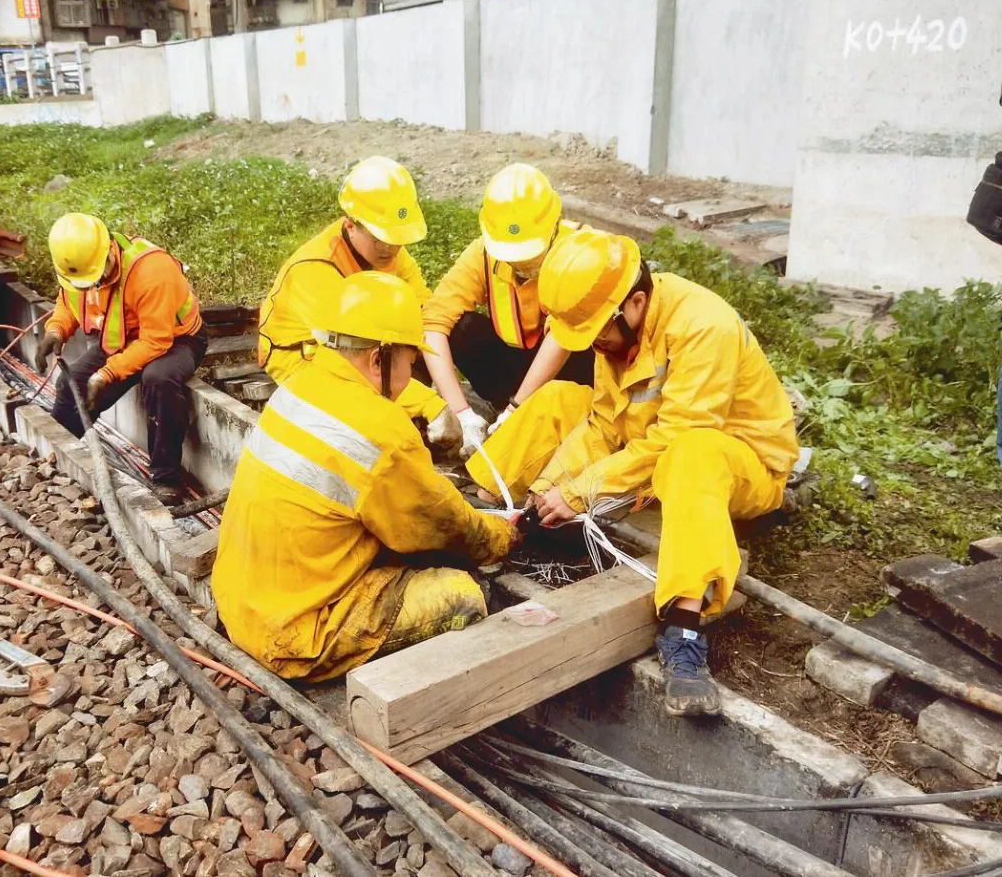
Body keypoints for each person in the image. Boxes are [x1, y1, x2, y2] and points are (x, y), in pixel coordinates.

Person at [468, 228, 799, 717]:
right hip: (657, 450)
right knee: (562, 398)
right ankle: (489, 505)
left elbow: (673, 439)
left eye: (598, 331)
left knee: (690, 453)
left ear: (637, 302)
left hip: (738, 466)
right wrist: (549, 490)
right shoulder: (615, 334)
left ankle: (683, 628)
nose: (594, 346)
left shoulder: (703, 327)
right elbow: (604, 422)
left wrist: (582, 492)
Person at [214, 272, 517, 681]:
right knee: (461, 597)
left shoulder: (299, 385)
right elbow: (441, 524)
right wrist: (500, 535)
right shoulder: (381, 434)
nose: (412, 375)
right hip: (300, 635)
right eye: (412, 363)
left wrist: (430, 406)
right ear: (379, 358)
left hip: (242, 604)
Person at [258, 156, 461, 450]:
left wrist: (457, 407)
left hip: (370, 350)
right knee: (359, 410)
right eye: (381, 238)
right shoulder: (315, 269)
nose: (390, 248)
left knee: (413, 352)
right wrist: (431, 404)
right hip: (306, 357)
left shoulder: (390, 252)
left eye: (397, 238)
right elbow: (346, 361)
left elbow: (423, 314)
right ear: (352, 225)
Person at [422, 164, 594, 457]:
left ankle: (537, 415)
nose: (521, 264)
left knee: (577, 342)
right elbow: (434, 325)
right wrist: (460, 410)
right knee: (462, 329)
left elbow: (564, 335)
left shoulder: (581, 249)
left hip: (573, 368)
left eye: (529, 253)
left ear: (553, 226)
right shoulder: (483, 253)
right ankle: (499, 415)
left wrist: (518, 408)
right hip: (520, 364)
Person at [37, 212, 207, 506]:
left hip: (176, 339)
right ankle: (63, 454)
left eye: (93, 280)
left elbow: (156, 340)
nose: (89, 287)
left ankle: (166, 477)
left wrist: (107, 374)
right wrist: (56, 329)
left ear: (109, 254)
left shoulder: (151, 270)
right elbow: (69, 302)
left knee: (159, 379)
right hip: (121, 338)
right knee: (71, 383)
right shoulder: (81, 271)